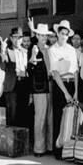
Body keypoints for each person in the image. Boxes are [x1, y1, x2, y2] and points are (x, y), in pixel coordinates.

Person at [48, 20, 79, 158]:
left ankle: (69, 149)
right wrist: (66, 93)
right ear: (57, 33)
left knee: (71, 117)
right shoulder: (52, 50)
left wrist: (76, 91)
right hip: (60, 86)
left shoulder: (72, 50)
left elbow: (76, 71)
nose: (64, 36)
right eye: (62, 33)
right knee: (59, 117)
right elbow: (55, 73)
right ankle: (58, 150)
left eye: (66, 34)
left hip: (72, 83)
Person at [28, 22, 53, 156]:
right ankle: (39, 148)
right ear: (37, 35)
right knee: (40, 118)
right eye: (41, 35)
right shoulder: (33, 48)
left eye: (45, 35)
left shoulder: (49, 49)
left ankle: (49, 146)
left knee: (50, 117)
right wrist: (32, 57)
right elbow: (29, 69)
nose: (43, 37)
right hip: (39, 87)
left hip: (51, 85)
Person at [0, 27, 29, 126]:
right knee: (12, 112)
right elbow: (3, 64)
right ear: (11, 38)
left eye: (19, 37)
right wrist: (2, 52)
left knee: (23, 112)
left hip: (23, 83)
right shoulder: (7, 51)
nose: (17, 40)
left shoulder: (25, 52)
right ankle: (11, 138)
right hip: (11, 84)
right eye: (15, 37)